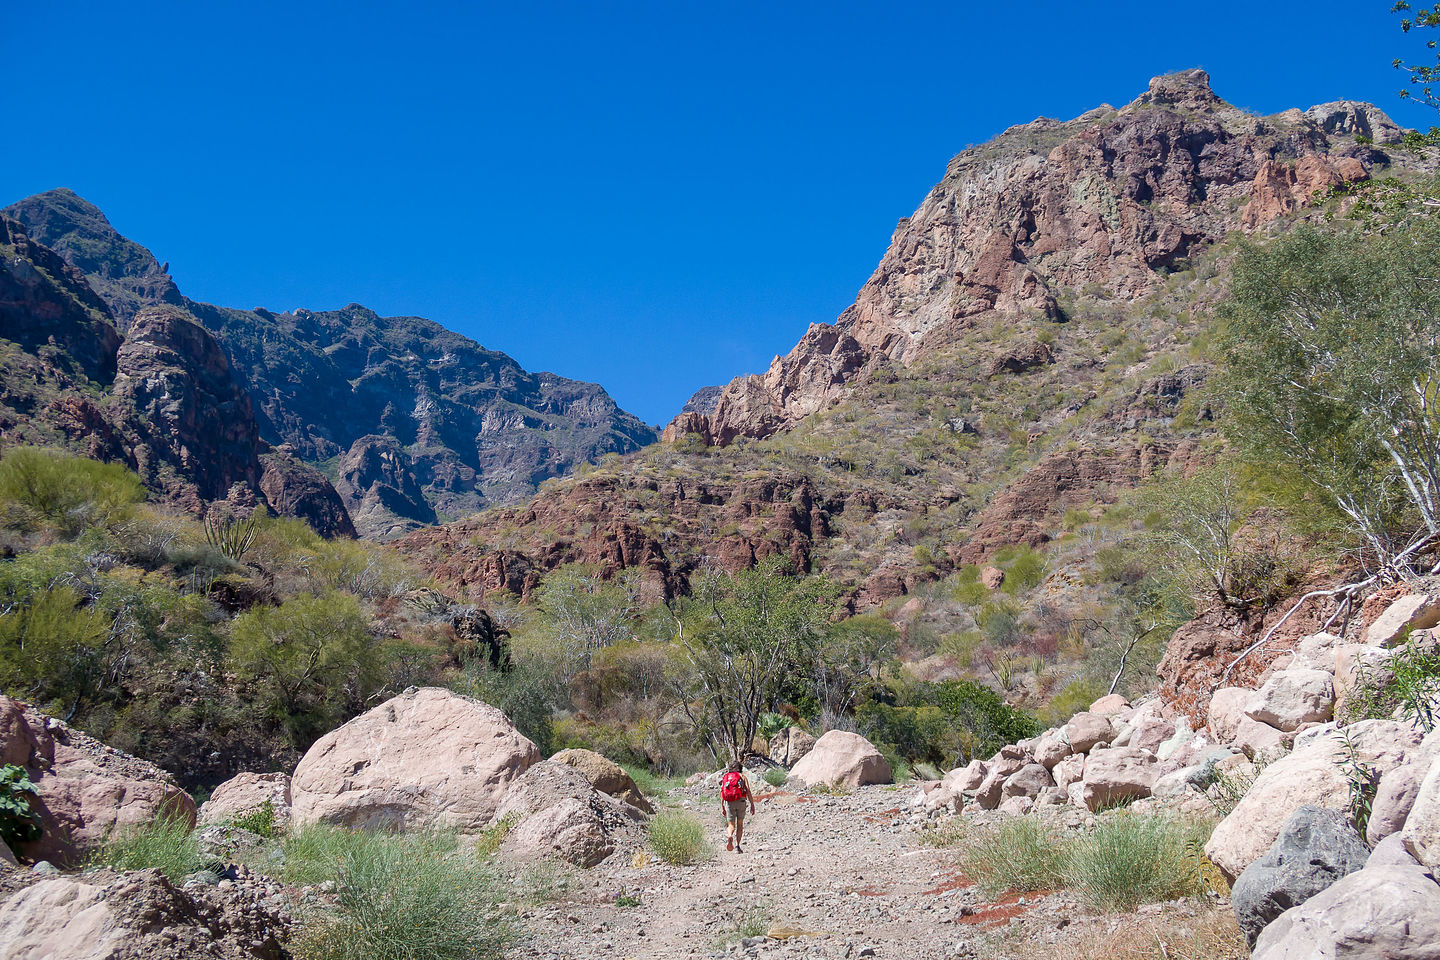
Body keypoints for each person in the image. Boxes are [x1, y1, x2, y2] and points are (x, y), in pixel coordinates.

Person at [719, 759, 755, 853]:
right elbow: (748, 791)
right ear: (740, 768)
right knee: (740, 824)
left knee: (731, 825)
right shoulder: (742, 777)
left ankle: (730, 835)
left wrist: (722, 806)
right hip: (741, 802)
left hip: (729, 802)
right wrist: (752, 804)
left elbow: (722, 792)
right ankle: (737, 846)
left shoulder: (726, 777)